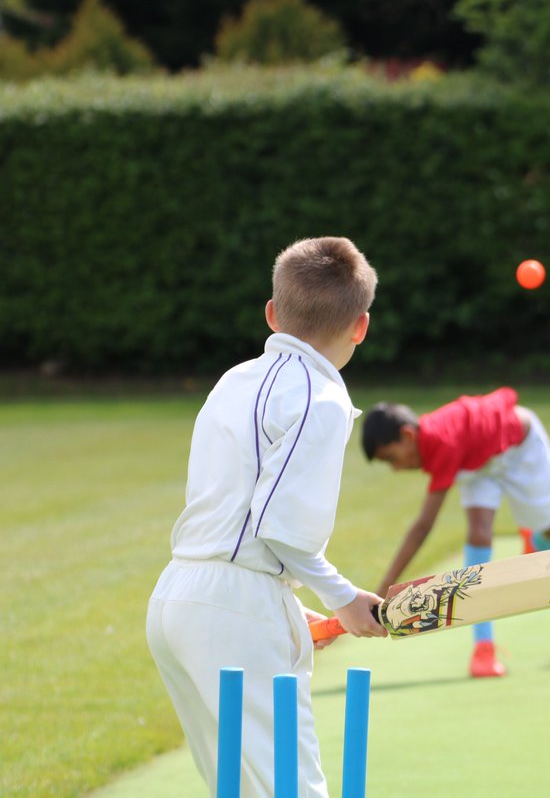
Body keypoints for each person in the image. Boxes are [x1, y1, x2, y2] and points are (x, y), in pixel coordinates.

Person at [146, 237, 389, 798]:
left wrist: (286, 608)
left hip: (175, 599)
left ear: (273, 314)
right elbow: (280, 527)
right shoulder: (322, 400)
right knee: (293, 791)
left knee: (238, 789)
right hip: (233, 611)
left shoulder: (235, 378)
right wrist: (343, 599)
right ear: (361, 326)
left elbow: (232, 520)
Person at [361, 387, 550, 677]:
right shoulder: (435, 443)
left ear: (408, 435)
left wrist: (383, 590)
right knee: (478, 535)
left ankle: (535, 540)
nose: (396, 469)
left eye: (392, 458)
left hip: (519, 447)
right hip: (475, 465)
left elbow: (423, 528)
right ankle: (483, 650)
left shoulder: (443, 443)